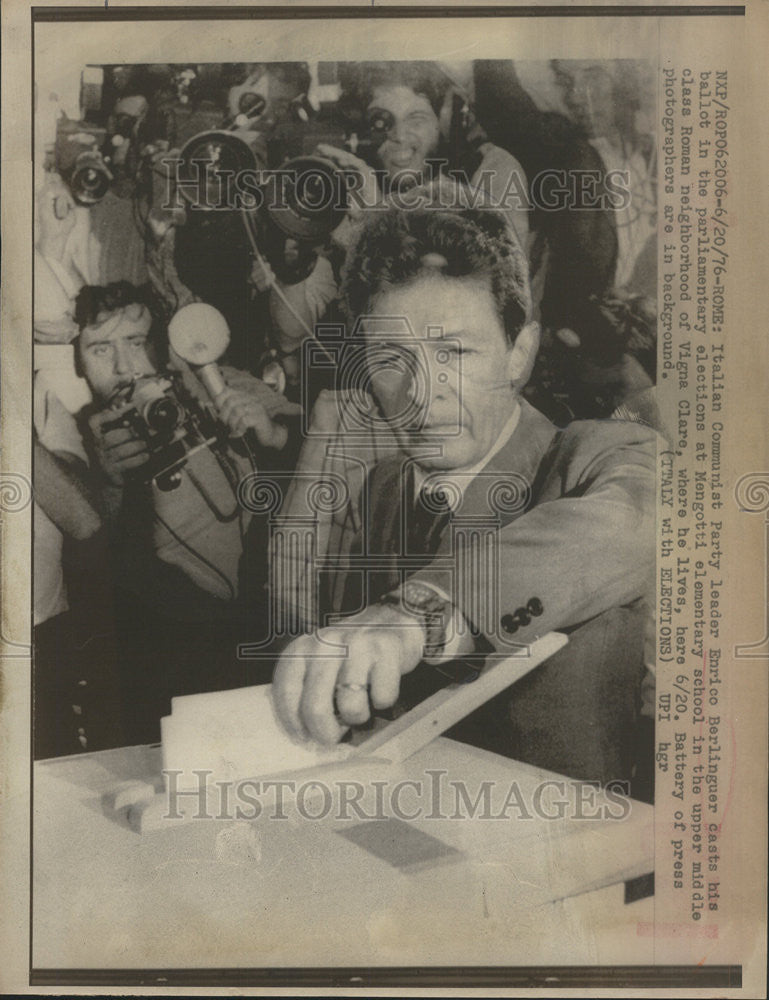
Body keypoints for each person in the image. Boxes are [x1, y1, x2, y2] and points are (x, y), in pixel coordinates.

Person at [272, 207, 657, 785]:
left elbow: (637, 522)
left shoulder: (598, 457)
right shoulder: (381, 488)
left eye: (454, 352)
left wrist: (415, 614)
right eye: (391, 359)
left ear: (518, 354)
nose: (422, 396)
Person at [72, 280, 299, 740]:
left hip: (265, 617)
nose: (122, 367)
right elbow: (101, 577)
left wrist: (272, 435)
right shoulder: (84, 437)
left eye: (135, 343)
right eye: (100, 349)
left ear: (159, 346)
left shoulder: (219, 382)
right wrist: (112, 483)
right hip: (173, 647)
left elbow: (323, 459)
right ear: (77, 361)